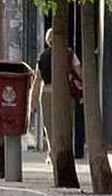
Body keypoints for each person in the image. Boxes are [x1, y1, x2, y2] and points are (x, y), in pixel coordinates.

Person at [33, 27, 83, 158]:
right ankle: (65, 151)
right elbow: (80, 73)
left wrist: (33, 100)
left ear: (48, 40)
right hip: (65, 93)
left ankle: (53, 152)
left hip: (47, 92)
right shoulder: (70, 54)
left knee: (49, 125)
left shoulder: (42, 56)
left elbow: (37, 80)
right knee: (66, 124)